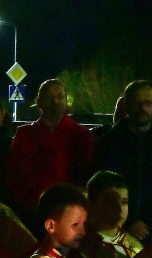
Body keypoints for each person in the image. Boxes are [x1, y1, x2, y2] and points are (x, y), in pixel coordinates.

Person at [94, 80, 152, 241]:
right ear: (126, 104)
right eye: (137, 103)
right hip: (115, 228)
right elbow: (101, 187)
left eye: (148, 103)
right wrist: (127, 221)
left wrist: (150, 222)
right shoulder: (109, 143)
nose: (143, 108)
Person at [6, 79, 94, 227]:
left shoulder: (80, 135)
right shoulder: (25, 134)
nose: (55, 102)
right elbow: (14, 173)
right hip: (31, 212)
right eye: (49, 97)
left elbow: (85, 175)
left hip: (68, 214)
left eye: (60, 97)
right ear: (39, 102)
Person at [78, 170, 143, 258]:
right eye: (111, 202)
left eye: (124, 202)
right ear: (90, 204)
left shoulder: (133, 247)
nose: (119, 209)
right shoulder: (78, 243)